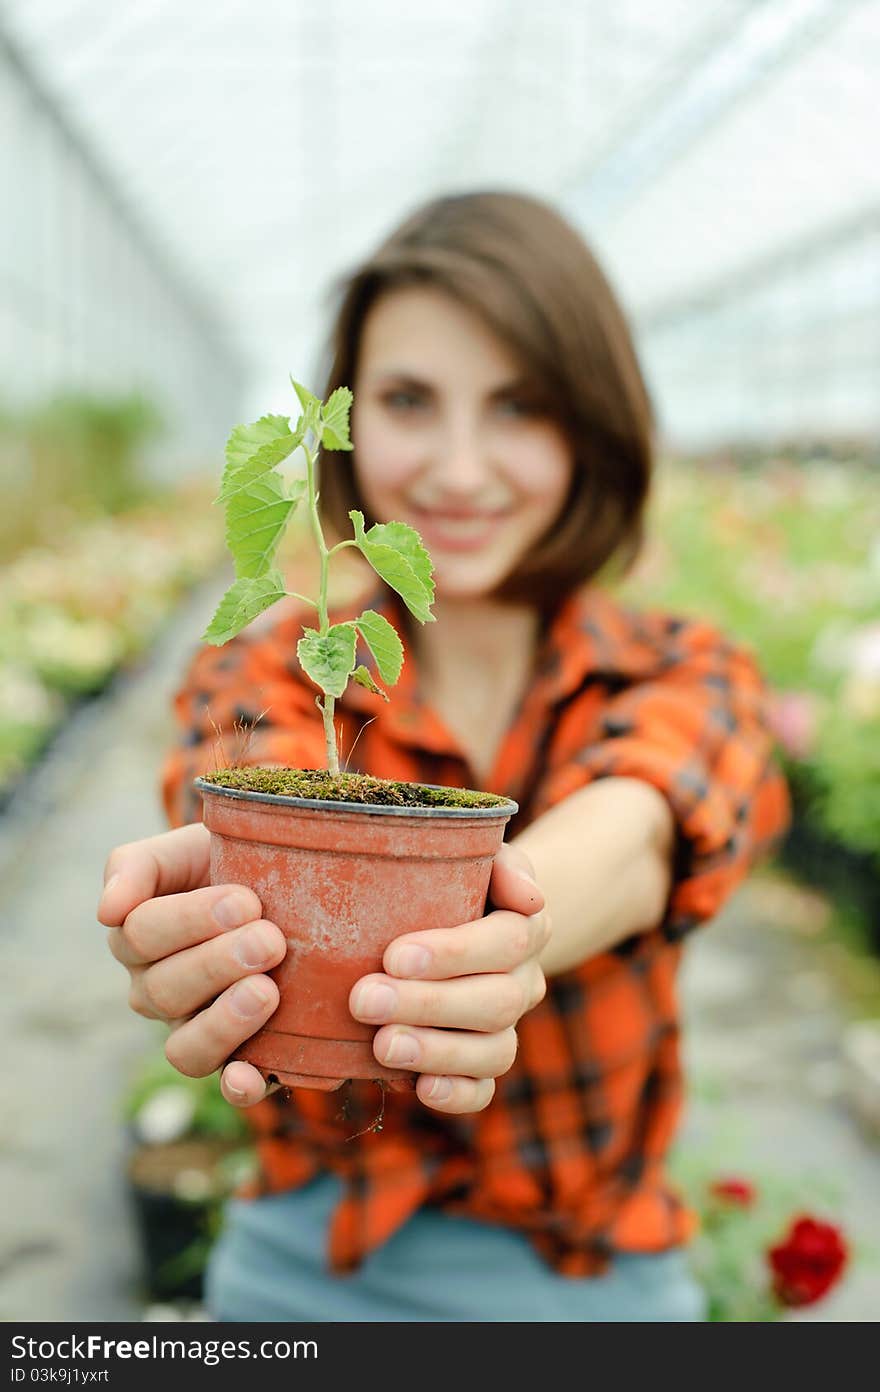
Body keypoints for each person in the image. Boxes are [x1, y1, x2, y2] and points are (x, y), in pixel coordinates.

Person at [97, 191, 791, 1322]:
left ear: (592, 425)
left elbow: (642, 823)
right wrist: (205, 914)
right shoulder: (281, 667)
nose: (460, 471)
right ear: (346, 423)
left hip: (593, 1282)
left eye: (519, 404)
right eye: (410, 401)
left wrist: (505, 938)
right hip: (302, 1275)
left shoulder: (682, 668)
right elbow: (238, 782)